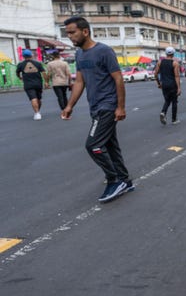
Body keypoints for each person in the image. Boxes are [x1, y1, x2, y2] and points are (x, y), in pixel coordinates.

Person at [61, 16, 134, 203]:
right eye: (67, 33)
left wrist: (120, 107)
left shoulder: (104, 51)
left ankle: (114, 180)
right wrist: (69, 106)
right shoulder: (79, 55)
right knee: (109, 145)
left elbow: (118, 79)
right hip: (95, 106)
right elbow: (79, 81)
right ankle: (125, 180)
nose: (69, 36)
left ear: (85, 31)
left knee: (93, 145)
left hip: (107, 106)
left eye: (72, 32)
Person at [15, 49, 47, 120]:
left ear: (23, 56)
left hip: (28, 84)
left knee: (33, 98)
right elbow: (44, 73)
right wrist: (46, 82)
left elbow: (17, 73)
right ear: (31, 55)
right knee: (38, 99)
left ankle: (37, 113)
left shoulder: (21, 64)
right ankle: (38, 111)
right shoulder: (38, 64)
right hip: (38, 84)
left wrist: (20, 77)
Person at [154, 46, 181, 125]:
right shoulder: (175, 63)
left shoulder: (160, 62)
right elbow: (176, 76)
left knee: (167, 100)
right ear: (173, 54)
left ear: (166, 53)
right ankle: (174, 119)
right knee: (174, 102)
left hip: (164, 85)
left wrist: (159, 83)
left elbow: (155, 74)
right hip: (172, 85)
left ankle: (163, 112)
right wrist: (179, 88)